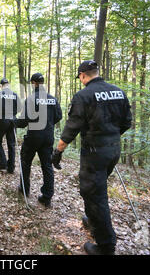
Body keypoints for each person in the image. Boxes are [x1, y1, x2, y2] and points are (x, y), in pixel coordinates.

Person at [51, 60, 132, 255]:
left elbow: (72, 128)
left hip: (95, 153)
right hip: (113, 150)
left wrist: (58, 151)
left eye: (79, 77)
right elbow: (127, 122)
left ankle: (106, 245)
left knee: (95, 195)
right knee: (95, 189)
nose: (80, 80)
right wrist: (110, 138)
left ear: (83, 75)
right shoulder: (118, 92)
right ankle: (93, 220)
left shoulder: (84, 95)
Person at [15, 73, 62, 208]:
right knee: (47, 165)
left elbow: (24, 121)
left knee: (25, 161)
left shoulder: (31, 99)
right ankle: (47, 196)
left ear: (34, 83)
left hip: (34, 136)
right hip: (48, 137)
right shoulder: (52, 99)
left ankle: (24, 189)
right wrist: (48, 123)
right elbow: (59, 116)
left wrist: (15, 122)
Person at [0, 78, 22, 174]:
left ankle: (3, 163)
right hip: (13, 121)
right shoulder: (14, 95)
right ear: (8, 84)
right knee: (11, 144)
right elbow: (19, 108)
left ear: (1, 86)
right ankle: (11, 167)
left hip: (2, 120)